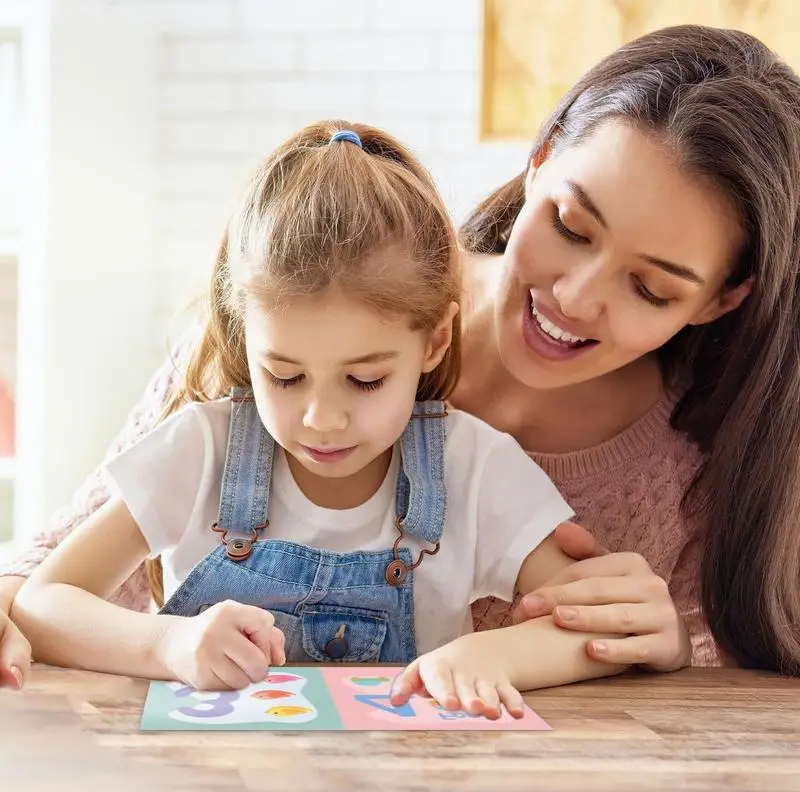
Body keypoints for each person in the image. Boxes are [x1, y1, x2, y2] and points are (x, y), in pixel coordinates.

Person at [4, 21, 800, 688]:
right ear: (542, 157)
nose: (577, 297)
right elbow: (45, 575)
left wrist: (652, 650)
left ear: (722, 299)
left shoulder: (630, 463)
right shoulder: (309, 294)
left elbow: (689, 678)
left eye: (651, 289)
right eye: (571, 225)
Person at [10, 121, 635, 718]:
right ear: (242, 337)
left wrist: (492, 653)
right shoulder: (203, 450)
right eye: (283, 375)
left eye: (366, 380)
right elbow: (44, 602)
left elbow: (591, 627)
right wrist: (167, 644)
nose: (322, 419)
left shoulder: (472, 467)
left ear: (436, 341)